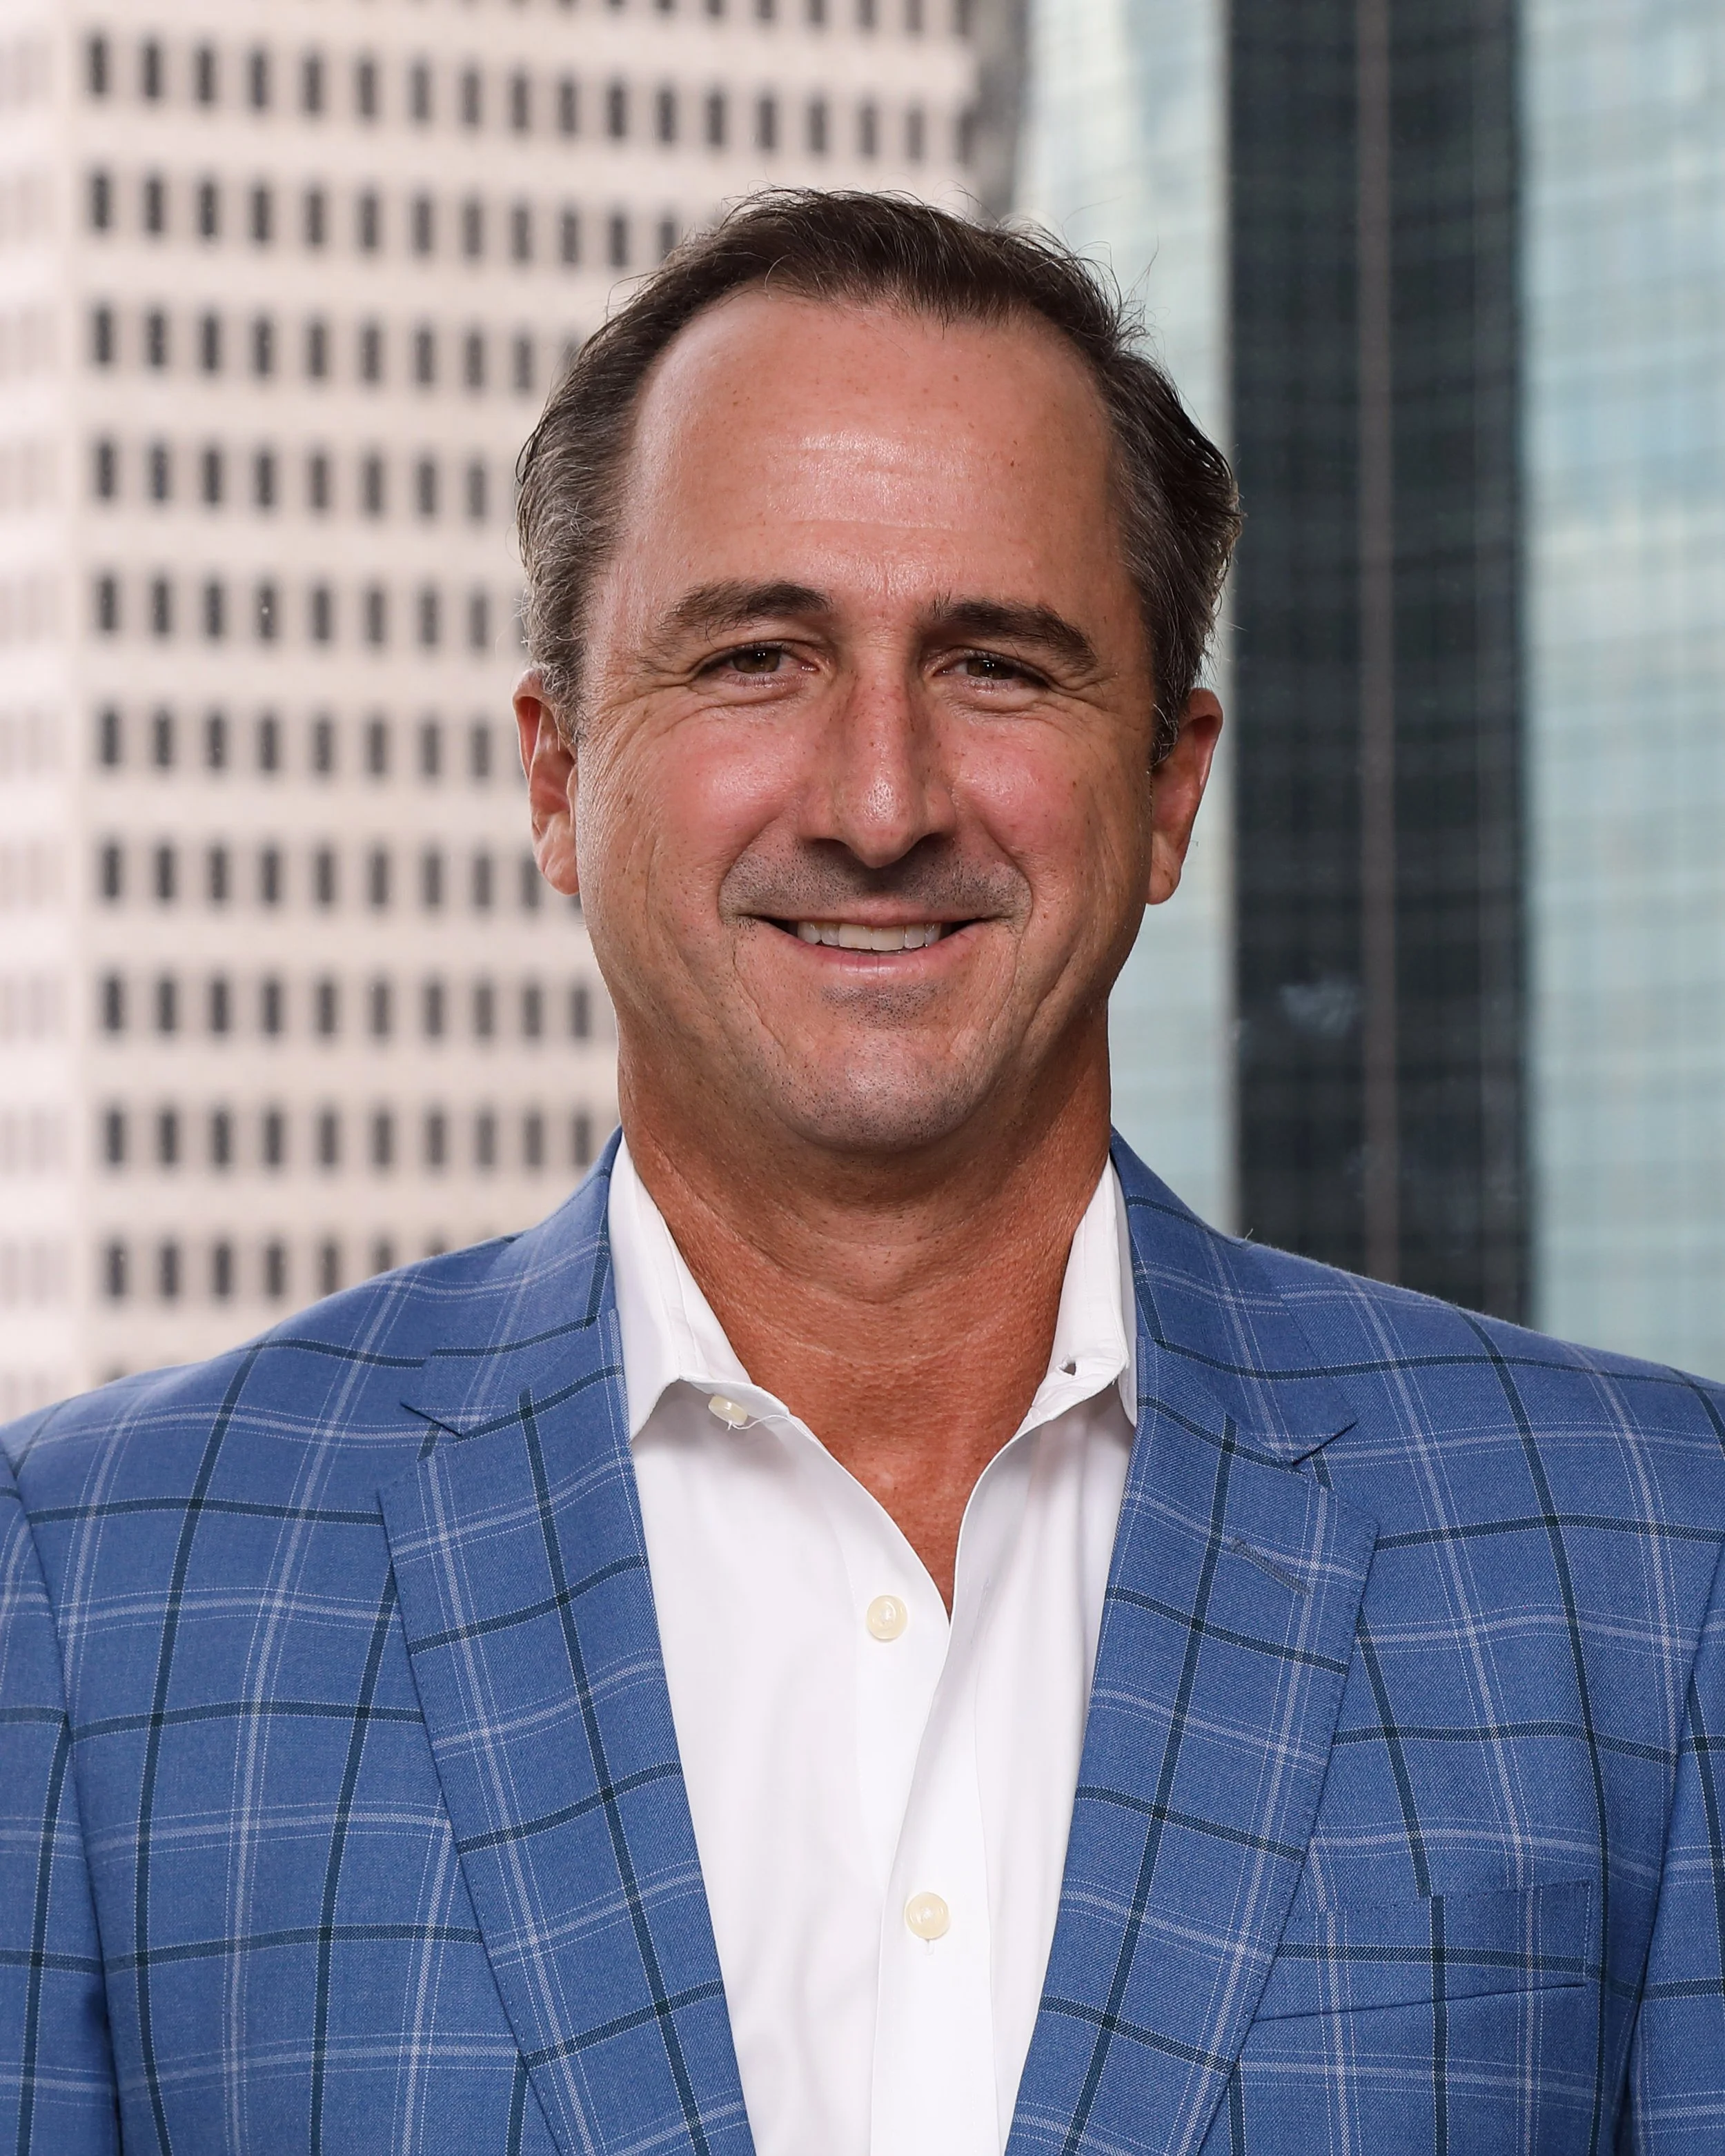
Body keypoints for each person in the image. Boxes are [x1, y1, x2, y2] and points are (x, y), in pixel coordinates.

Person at [3, 191, 1722, 2156]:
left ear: (1168, 784)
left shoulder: (1648, 1567)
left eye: (997, 665)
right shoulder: (94, 1591)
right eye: (754, 656)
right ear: (558, 777)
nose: (880, 799)